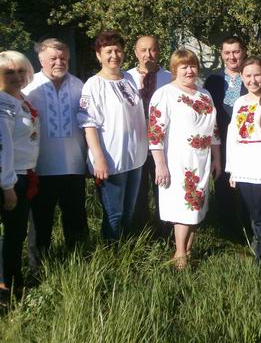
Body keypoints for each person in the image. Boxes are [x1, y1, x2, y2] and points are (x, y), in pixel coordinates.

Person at [148, 49, 221, 269]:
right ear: (174, 69)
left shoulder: (204, 94)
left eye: (192, 66)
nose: (189, 71)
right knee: (183, 207)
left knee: (197, 206)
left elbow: (214, 130)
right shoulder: (164, 94)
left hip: (202, 159)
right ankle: (180, 253)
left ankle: (189, 249)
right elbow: (155, 133)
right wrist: (160, 164)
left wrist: (217, 159)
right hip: (178, 160)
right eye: (184, 67)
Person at [23, 38, 88, 268]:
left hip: (74, 166)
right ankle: (37, 269)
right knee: (41, 223)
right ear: (41, 60)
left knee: (76, 219)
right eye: (53, 58)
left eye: (63, 58)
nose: (59, 62)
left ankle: (79, 265)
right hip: (41, 167)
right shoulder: (29, 88)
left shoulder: (80, 86)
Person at [77, 31, 147, 241]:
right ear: (99, 55)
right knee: (114, 214)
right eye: (108, 51)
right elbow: (88, 124)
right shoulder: (93, 84)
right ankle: (111, 253)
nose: (114, 56)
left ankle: (127, 250)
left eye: (118, 50)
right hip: (111, 158)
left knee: (129, 211)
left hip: (134, 157)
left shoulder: (129, 79)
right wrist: (99, 158)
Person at [0, 51, 40, 303]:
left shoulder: (20, 99)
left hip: (25, 173)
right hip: (12, 177)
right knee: (12, 233)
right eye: (9, 72)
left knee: (18, 232)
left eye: (20, 71)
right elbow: (0, 146)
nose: (16, 76)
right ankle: (5, 288)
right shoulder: (0, 102)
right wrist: (6, 186)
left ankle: (15, 280)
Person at [225, 56, 261, 262]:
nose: (253, 80)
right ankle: (260, 245)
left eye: (257, 75)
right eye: (248, 76)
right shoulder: (239, 102)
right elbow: (232, 137)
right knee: (252, 212)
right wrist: (232, 169)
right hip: (244, 166)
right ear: (242, 77)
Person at [126, 35, 172, 234]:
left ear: (158, 51)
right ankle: (142, 232)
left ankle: (166, 231)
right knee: (138, 192)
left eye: (152, 49)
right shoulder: (125, 78)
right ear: (135, 52)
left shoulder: (170, 78)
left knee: (163, 189)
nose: (148, 55)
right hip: (136, 144)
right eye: (143, 50)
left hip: (162, 145)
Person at [204, 36, 248, 235]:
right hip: (219, 140)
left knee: (246, 183)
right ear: (221, 54)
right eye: (227, 53)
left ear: (243, 52)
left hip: (246, 142)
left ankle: (248, 227)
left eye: (236, 52)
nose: (232, 57)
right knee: (222, 182)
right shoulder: (213, 80)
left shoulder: (252, 76)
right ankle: (228, 229)